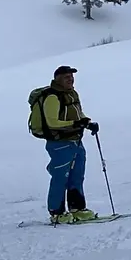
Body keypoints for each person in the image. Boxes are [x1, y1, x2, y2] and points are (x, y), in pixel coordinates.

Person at [29, 65, 99, 223]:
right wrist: (76, 123)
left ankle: (78, 209)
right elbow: (52, 122)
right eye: (66, 76)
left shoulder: (72, 94)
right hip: (59, 142)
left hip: (75, 141)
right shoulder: (52, 97)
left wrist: (87, 123)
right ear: (57, 79)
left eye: (71, 76)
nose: (70, 79)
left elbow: (78, 114)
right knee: (61, 176)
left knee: (77, 175)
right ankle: (57, 212)